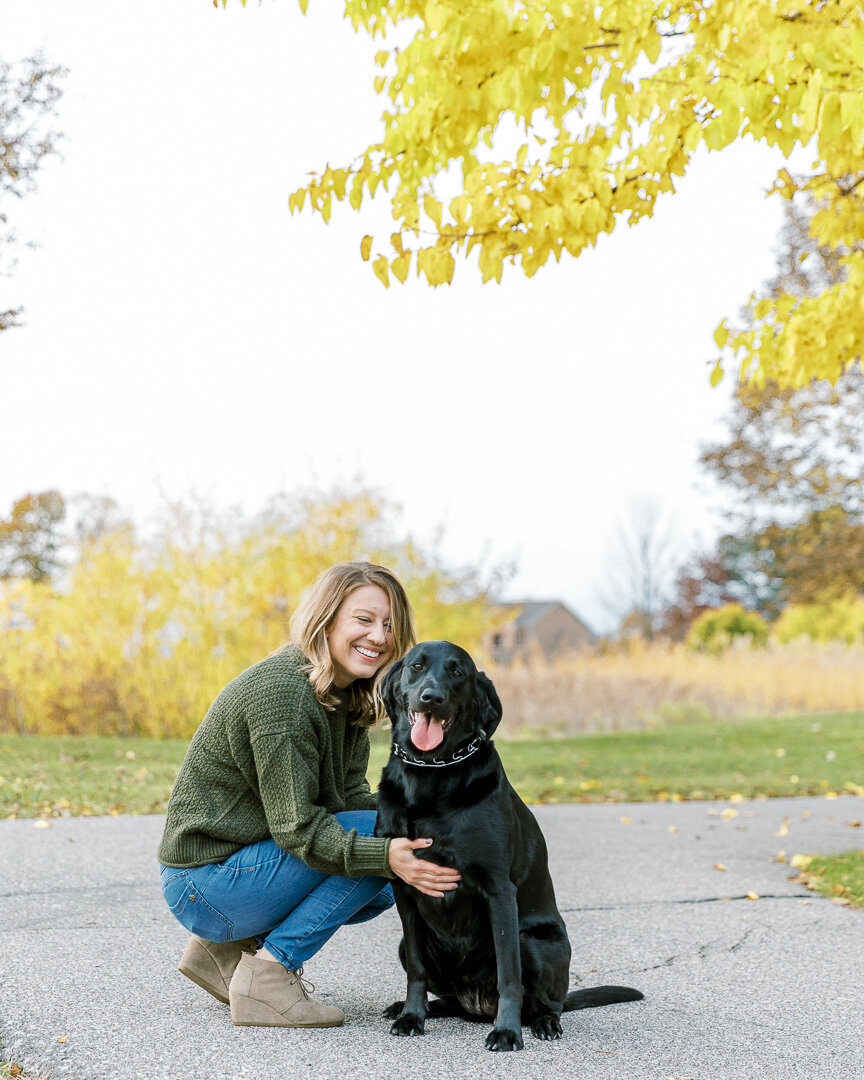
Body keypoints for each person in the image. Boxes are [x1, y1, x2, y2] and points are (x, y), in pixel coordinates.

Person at [157, 561, 461, 1028]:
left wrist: (420, 829)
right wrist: (387, 852)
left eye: (389, 625)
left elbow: (349, 794)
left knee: (390, 846)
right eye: (364, 619)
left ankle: (222, 954)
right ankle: (268, 974)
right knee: (380, 849)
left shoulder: (345, 693)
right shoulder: (285, 695)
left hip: (235, 871)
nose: (379, 637)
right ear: (326, 617)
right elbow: (298, 826)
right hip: (204, 883)